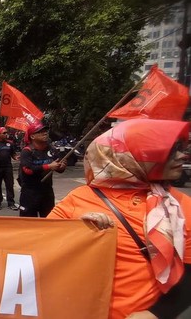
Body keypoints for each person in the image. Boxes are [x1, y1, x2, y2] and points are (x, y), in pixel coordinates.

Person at [48, 119, 191, 319]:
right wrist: (74, 230)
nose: (182, 155)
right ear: (132, 156)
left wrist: (156, 313)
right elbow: (39, 251)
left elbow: (188, 272)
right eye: (171, 149)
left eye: (181, 148)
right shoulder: (79, 198)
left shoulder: (181, 205)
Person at [18, 122, 66, 217]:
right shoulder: (27, 151)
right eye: (40, 132)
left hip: (47, 192)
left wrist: (61, 166)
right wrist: (48, 166)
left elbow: (58, 167)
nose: (45, 133)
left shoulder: (51, 150)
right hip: (30, 193)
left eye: (45, 131)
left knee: (48, 220)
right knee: (28, 224)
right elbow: (28, 170)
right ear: (32, 136)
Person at [0, 127, 19, 210]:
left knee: (9, 185)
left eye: (6, 133)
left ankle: (11, 203)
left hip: (7, 167)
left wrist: (16, 157)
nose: (6, 134)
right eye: (4, 133)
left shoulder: (10, 144)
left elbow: (13, 154)